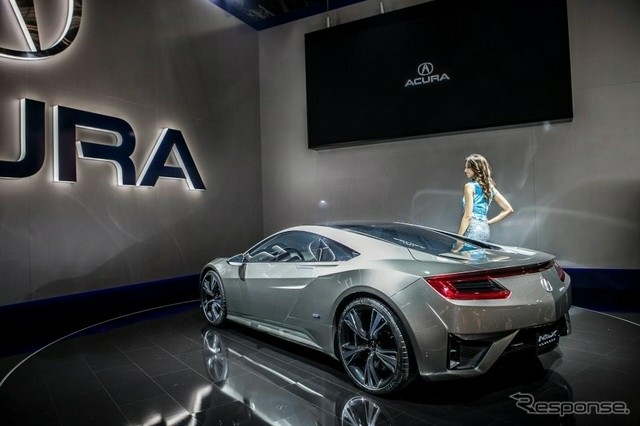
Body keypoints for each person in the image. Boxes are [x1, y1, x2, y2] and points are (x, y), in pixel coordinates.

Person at [453, 154, 513, 251]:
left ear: (476, 168)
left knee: (461, 256)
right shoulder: (489, 187)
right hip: (484, 230)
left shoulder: (469, 186)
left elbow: (468, 216)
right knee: (478, 257)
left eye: (468, 167)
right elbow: (508, 209)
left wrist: (459, 238)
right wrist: (486, 222)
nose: (465, 170)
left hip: (472, 229)